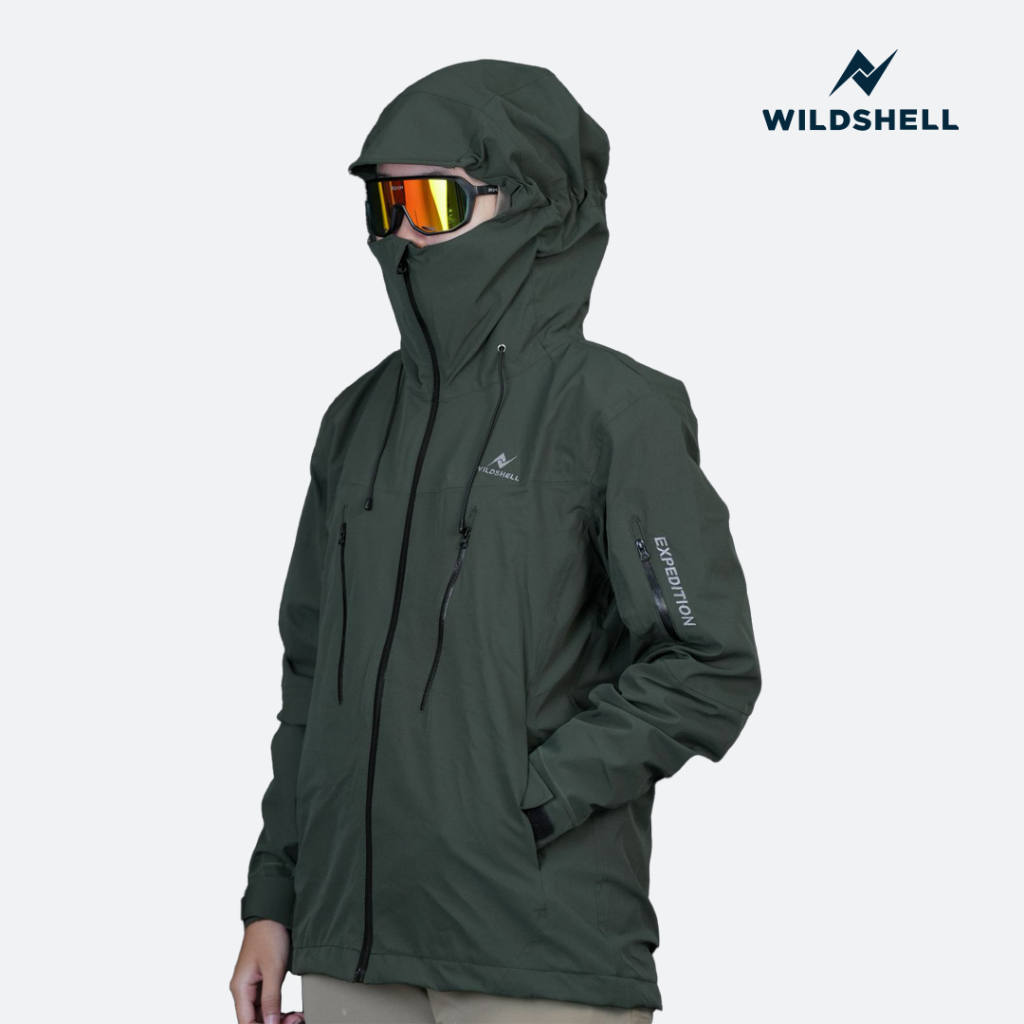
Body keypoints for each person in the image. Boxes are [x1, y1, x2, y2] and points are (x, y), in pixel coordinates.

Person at [230, 59, 761, 1024]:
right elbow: (309, 680)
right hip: (350, 942)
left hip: (536, 948)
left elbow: (706, 662)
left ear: (534, 208)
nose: (401, 234)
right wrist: (274, 898)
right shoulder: (355, 422)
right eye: (384, 203)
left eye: (433, 201)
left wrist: (531, 801)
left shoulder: (615, 414)